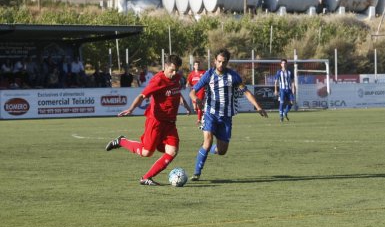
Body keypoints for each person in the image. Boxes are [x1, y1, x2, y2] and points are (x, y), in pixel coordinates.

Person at [105, 55, 192, 186]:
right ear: (165, 66)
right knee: (146, 152)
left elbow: (176, 92)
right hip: (156, 122)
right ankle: (121, 141)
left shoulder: (176, 78)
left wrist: (184, 103)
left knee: (172, 152)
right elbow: (142, 95)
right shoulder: (158, 81)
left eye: (177, 70)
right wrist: (131, 109)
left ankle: (146, 177)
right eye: (172, 70)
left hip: (170, 124)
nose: (174, 73)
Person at [189, 48, 268, 181]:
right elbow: (193, 91)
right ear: (215, 61)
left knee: (222, 151)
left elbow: (246, 92)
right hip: (210, 113)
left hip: (226, 117)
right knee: (207, 142)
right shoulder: (208, 74)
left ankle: (208, 149)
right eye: (218, 61)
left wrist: (258, 106)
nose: (220, 65)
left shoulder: (233, 76)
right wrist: (195, 99)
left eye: (223, 62)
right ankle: (197, 172)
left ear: (227, 63)